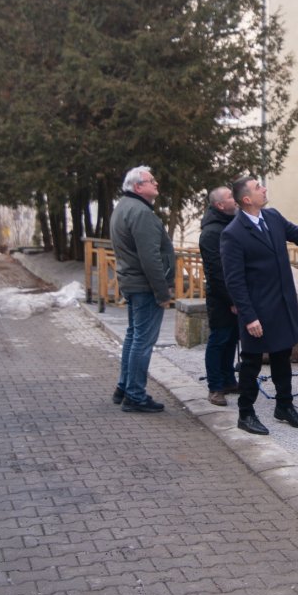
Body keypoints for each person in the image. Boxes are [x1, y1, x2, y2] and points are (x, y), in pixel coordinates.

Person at [220, 175, 298, 435]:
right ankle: (246, 413)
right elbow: (234, 281)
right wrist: (249, 316)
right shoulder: (232, 234)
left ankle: (284, 405)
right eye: (258, 187)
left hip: (282, 305)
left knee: (282, 356)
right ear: (247, 199)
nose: (264, 188)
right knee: (252, 362)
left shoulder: (273, 217)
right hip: (258, 311)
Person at [110, 166, 174, 413]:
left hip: (132, 282)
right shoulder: (140, 212)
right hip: (145, 286)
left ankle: (124, 388)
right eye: (151, 180)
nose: (156, 183)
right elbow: (150, 257)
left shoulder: (124, 207)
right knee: (142, 341)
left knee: (133, 336)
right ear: (138, 187)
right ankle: (135, 395)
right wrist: (162, 291)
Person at [198, 186, 239, 406]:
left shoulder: (230, 224)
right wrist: (231, 300)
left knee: (231, 338)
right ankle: (215, 387)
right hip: (221, 298)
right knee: (219, 339)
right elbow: (215, 271)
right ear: (220, 205)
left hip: (234, 295)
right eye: (231, 197)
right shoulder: (212, 232)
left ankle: (229, 379)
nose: (236, 199)